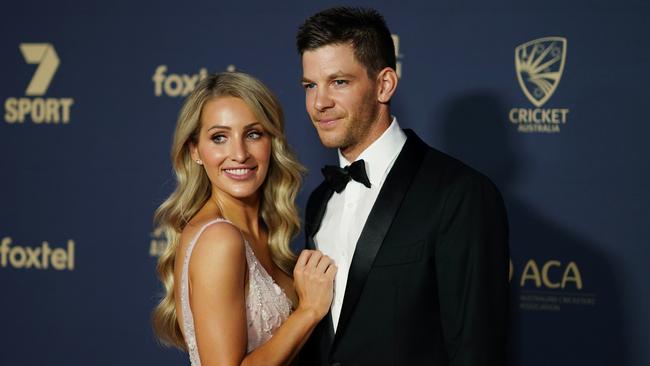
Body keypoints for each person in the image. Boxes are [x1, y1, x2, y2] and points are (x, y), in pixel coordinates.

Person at [296, 7, 510, 366]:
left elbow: (476, 349)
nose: (320, 102)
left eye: (339, 82)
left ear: (384, 84)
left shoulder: (460, 193)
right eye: (310, 86)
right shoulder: (320, 199)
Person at [151, 72, 336, 366]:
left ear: (271, 142)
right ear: (195, 150)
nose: (238, 154)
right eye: (219, 138)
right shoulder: (219, 238)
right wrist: (308, 311)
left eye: (253, 134)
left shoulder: (261, 233)